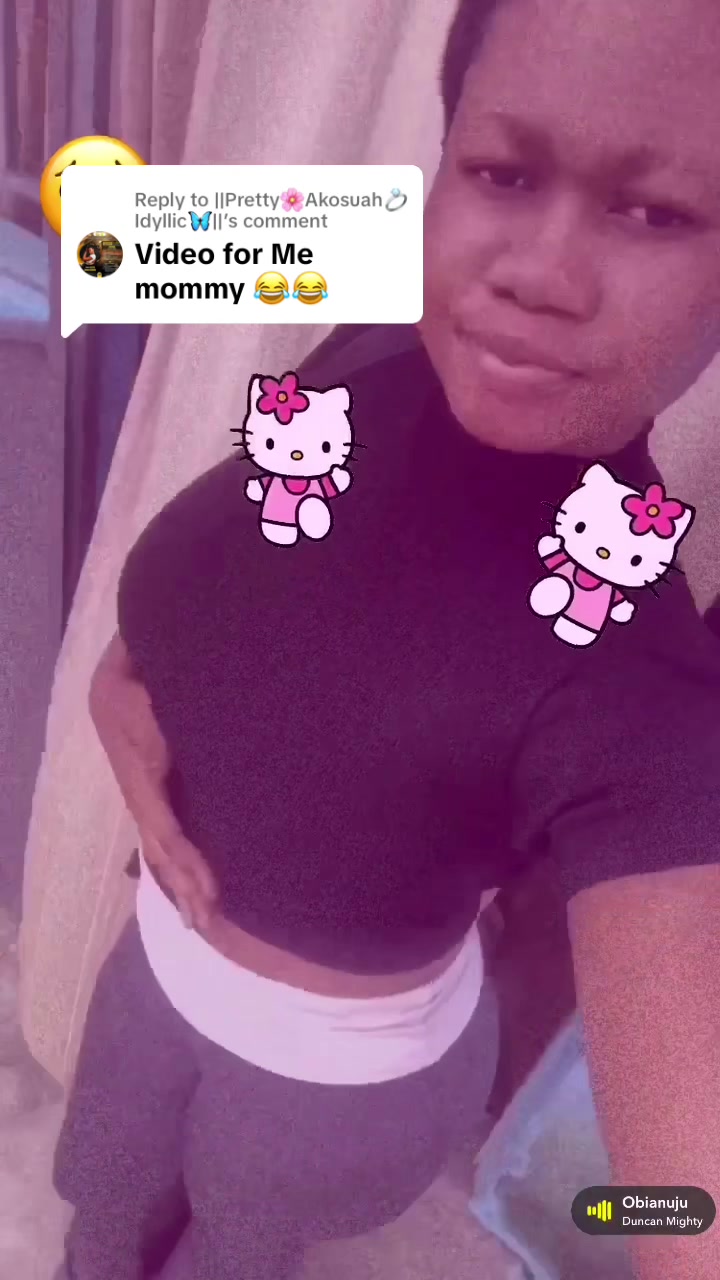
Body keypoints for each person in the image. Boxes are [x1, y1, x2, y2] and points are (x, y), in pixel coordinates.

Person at [53, 0, 720, 1277]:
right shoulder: (369, 287)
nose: (540, 271)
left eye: (655, 211)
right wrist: (115, 689)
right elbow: (99, 233)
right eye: (503, 172)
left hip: (326, 1094)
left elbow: (690, 1194)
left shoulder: (645, 682)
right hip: (150, 973)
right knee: (97, 1226)